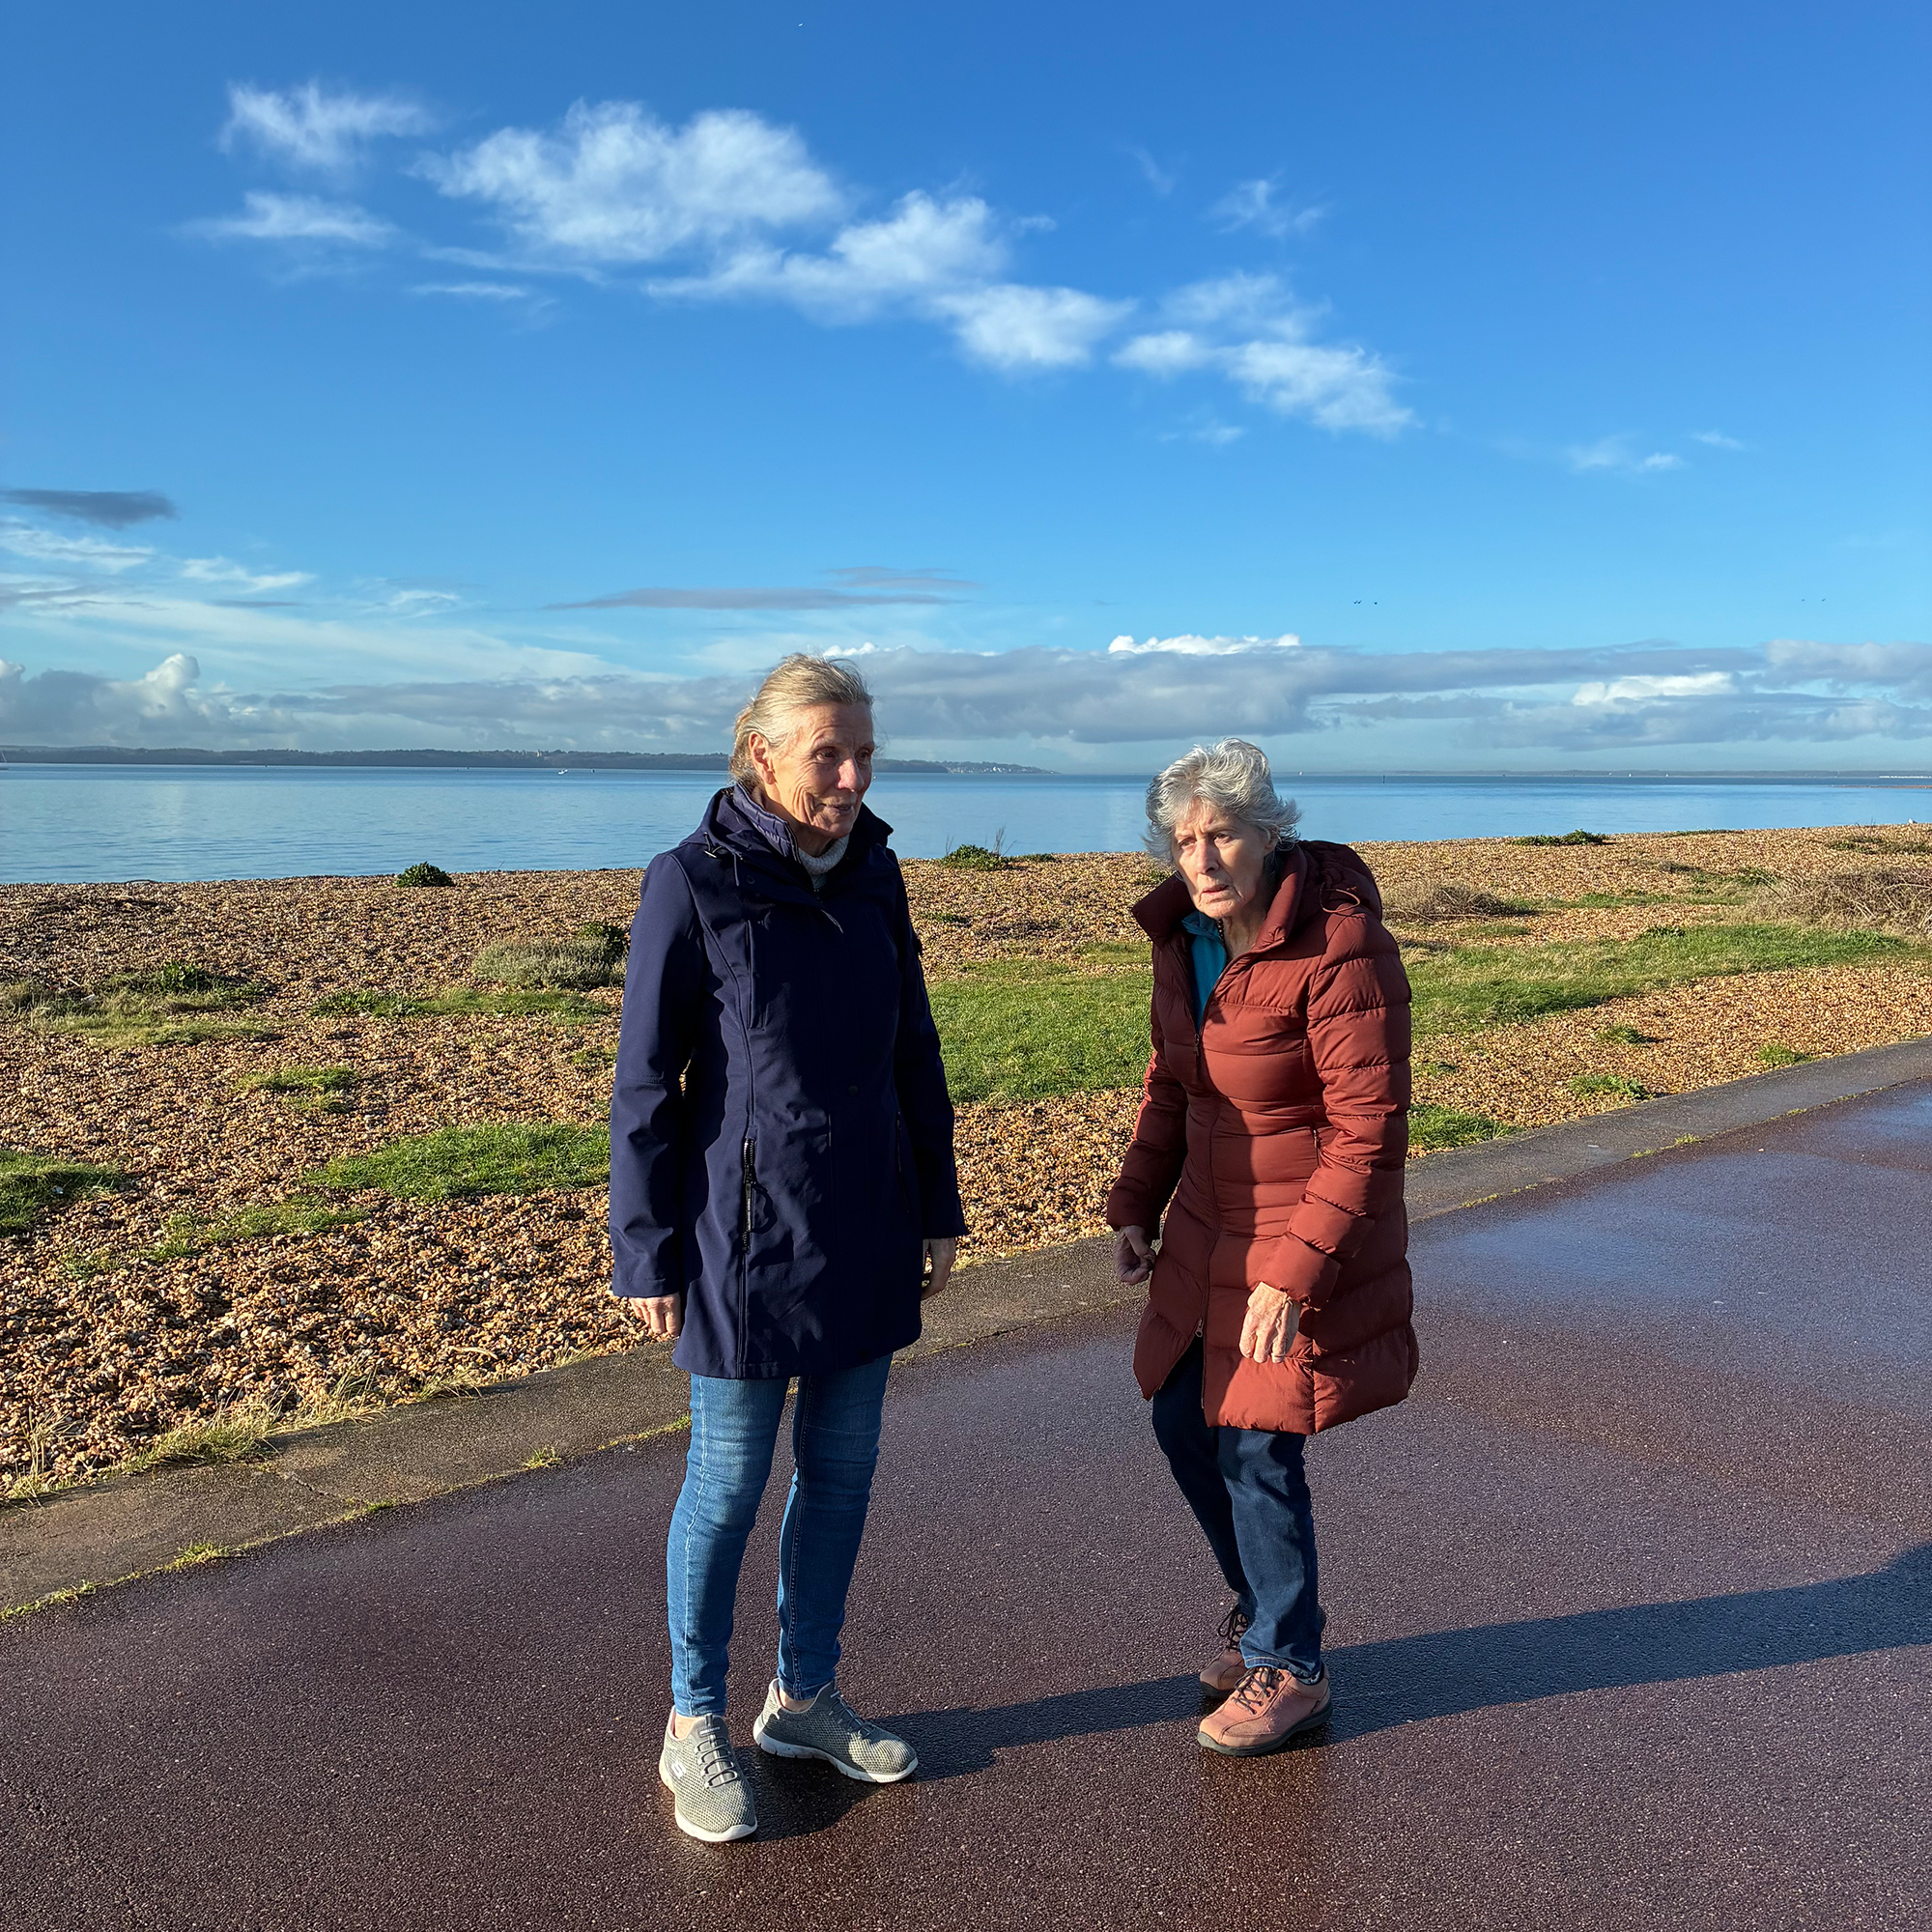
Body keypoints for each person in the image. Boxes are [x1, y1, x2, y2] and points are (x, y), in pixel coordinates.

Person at [610, 654, 966, 1843]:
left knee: (845, 1468)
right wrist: (645, 1249)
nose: (853, 775)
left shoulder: (876, 875)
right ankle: (690, 1720)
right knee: (726, 1482)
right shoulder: (690, 881)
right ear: (760, 751)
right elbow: (646, 1087)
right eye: (828, 752)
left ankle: (801, 1698)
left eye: (864, 751)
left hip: (866, 1216)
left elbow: (914, 1046)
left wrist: (938, 1201)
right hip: (743, 1236)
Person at [1104, 739, 1417, 1757]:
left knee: (1253, 1440)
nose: (1201, 857)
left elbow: (1365, 1127)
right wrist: (1132, 1202)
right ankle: (1264, 1609)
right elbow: (1170, 1082)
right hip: (1205, 1222)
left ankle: (1292, 1664)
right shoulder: (1182, 940)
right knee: (1175, 1416)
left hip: (1295, 1227)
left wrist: (1295, 1268)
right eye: (1184, 838)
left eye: (1222, 833)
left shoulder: (1337, 945)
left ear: (1268, 833)